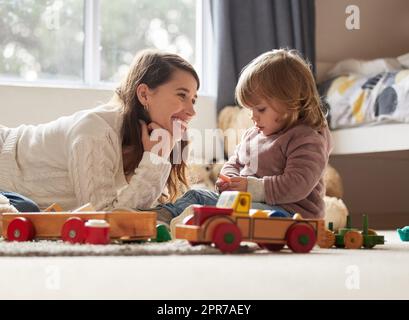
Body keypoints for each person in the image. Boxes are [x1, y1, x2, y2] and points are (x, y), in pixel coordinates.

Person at [0, 50, 199, 217]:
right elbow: (102, 218)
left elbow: (130, 215)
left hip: (14, 190)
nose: (192, 111)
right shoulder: (96, 131)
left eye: (193, 99)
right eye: (182, 95)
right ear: (144, 94)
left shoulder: (152, 142)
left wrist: (156, 158)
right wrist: (155, 161)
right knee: (26, 210)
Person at [155, 48, 333, 224]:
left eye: (261, 109)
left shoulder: (306, 138)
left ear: (292, 103)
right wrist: (229, 180)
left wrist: (251, 188)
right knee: (196, 194)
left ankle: (185, 221)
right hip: (249, 203)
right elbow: (235, 162)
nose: (253, 116)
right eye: (250, 109)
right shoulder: (254, 133)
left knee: (217, 210)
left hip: (289, 214)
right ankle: (158, 217)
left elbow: (298, 183)